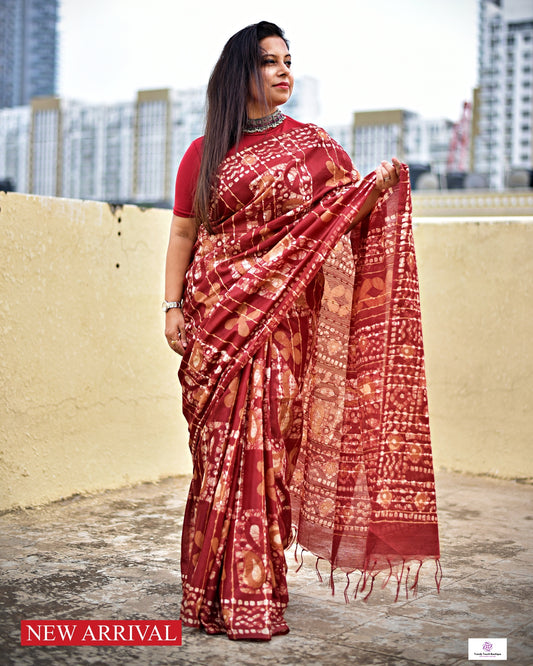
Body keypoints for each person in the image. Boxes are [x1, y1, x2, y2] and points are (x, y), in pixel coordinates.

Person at [163, 21, 440, 641]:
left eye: (289, 61)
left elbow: (336, 216)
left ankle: (254, 594)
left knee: (264, 449)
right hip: (215, 318)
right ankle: (207, 592)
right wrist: (171, 306)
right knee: (218, 457)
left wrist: (378, 187)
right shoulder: (204, 152)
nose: (284, 71)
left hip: (279, 326)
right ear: (242, 73)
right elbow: (184, 232)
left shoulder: (314, 148)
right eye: (269, 62)